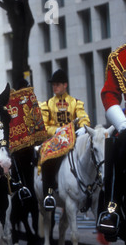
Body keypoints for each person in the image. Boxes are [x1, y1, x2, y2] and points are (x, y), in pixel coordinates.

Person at [39, 69, 91, 209]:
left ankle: (92, 192)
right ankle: (49, 194)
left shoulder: (75, 103)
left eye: (58, 84)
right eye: (53, 84)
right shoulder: (47, 104)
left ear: (65, 85)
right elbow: (43, 126)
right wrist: (55, 130)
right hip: (56, 141)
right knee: (46, 156)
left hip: (73, 139)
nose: (54, 87)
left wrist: (82, 128)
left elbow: (84, 118)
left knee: (92, 155)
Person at [98, 42, 126, 239]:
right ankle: (112, 208)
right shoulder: (121, 57)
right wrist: (123, 124)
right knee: (118, 143)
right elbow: (109, 94)